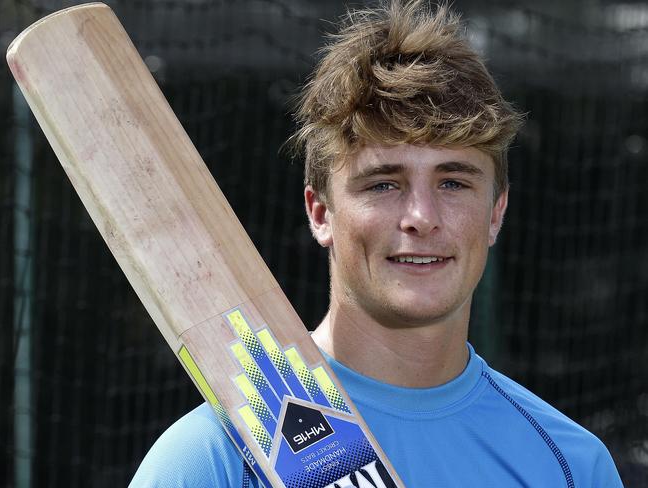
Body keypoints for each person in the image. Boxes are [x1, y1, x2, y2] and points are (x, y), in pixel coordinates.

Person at [131, 1, 623, 486]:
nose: (421, 218)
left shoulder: (570, 465)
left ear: (496, 213)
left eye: (453, 183)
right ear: (320, 212)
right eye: (383, 184)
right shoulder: (211, 459)